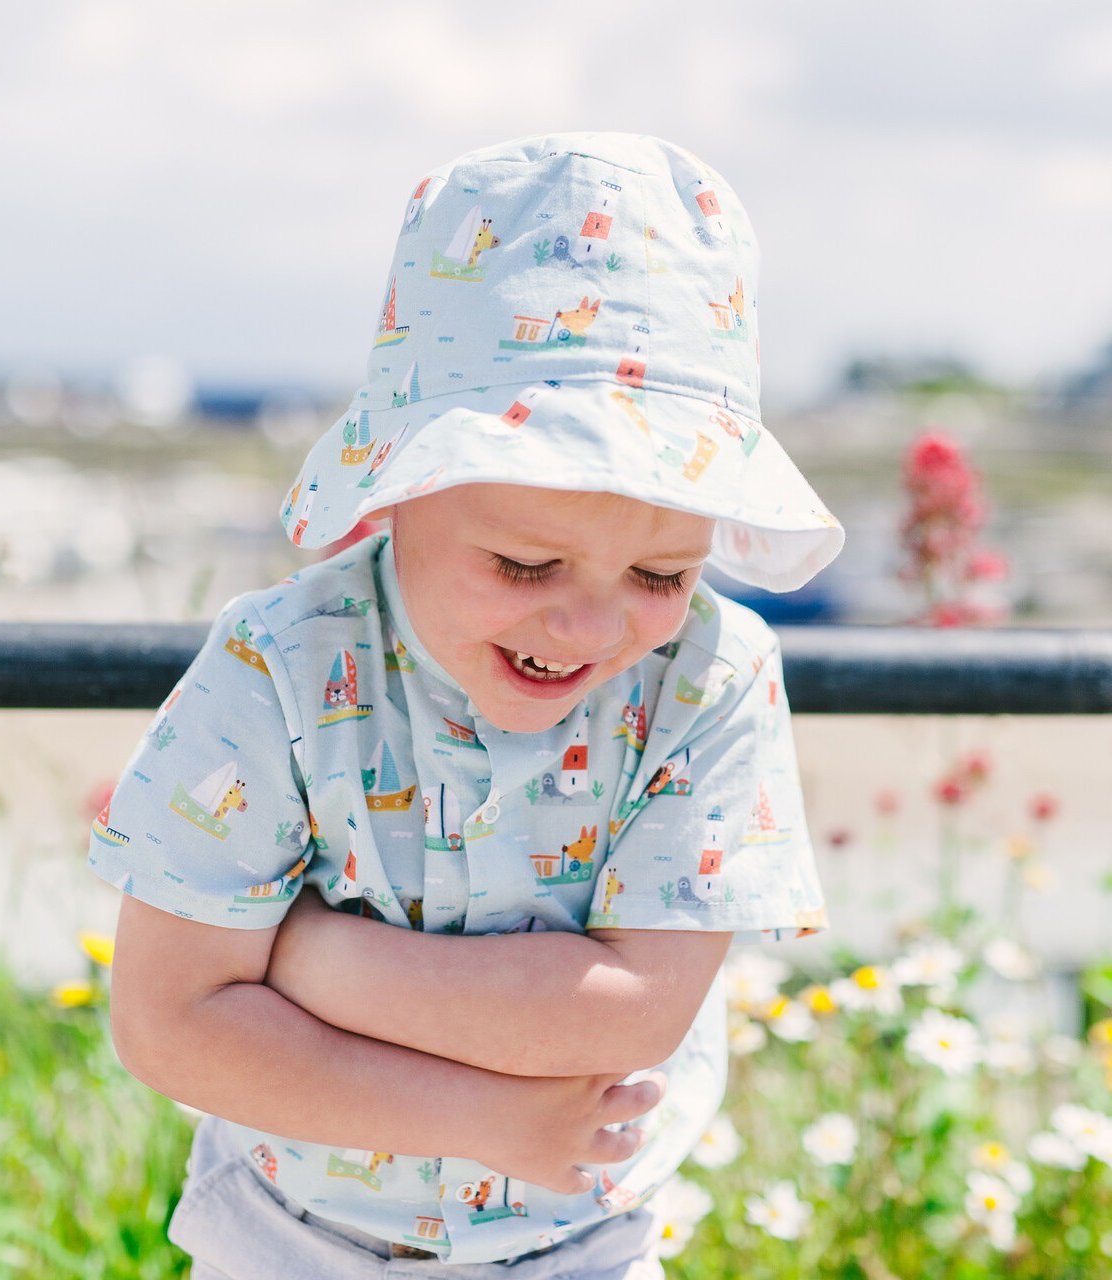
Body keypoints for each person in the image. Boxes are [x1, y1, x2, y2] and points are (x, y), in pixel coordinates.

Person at [89, 132, 844, 1279]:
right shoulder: (282, 663)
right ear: (395, 490)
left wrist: (299, 959)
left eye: (659, 575)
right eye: (524, 566)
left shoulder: (711, 674)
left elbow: (625, 1012)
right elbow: (165, 1021)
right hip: (283, 1240)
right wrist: (491, 1118)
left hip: (581, 1242)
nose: (589, 628)